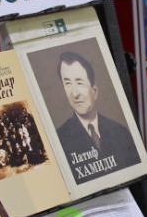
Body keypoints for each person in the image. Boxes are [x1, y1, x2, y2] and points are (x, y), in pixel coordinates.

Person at [51, 50, 141, 183]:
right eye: (68, 83)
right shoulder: (59, 140)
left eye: (80, 83)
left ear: (95, 91)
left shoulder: (121, 132)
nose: (74, 94)